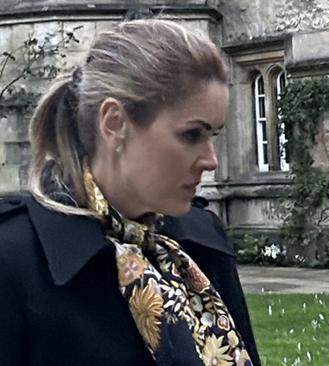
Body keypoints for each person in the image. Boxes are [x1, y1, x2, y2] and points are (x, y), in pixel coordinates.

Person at [0, 19, 260, 366]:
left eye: (214, 135)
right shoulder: (14, 261)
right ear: (115, 123)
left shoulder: (201, 239)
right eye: (192, 135)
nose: (211, 161)